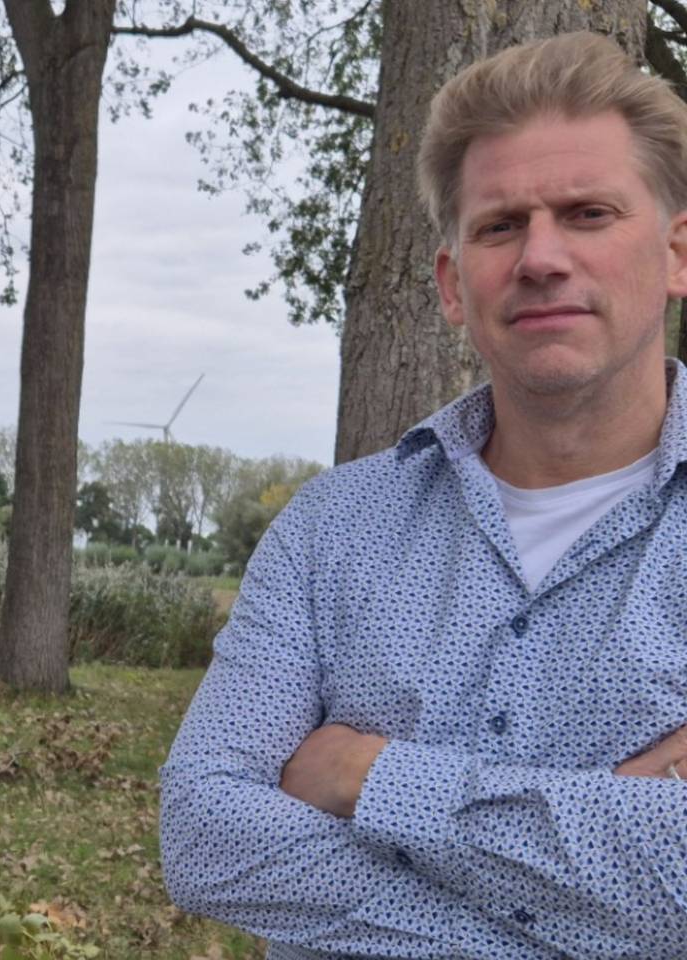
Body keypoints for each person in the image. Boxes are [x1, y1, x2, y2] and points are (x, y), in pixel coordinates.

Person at [159, 31, 687, 960]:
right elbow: (206, 833)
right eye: (498, 225)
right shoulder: (329, 534)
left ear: (678, 253)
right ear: (452, 283)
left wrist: (365, 777)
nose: (541, 257)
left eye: (589, 213)